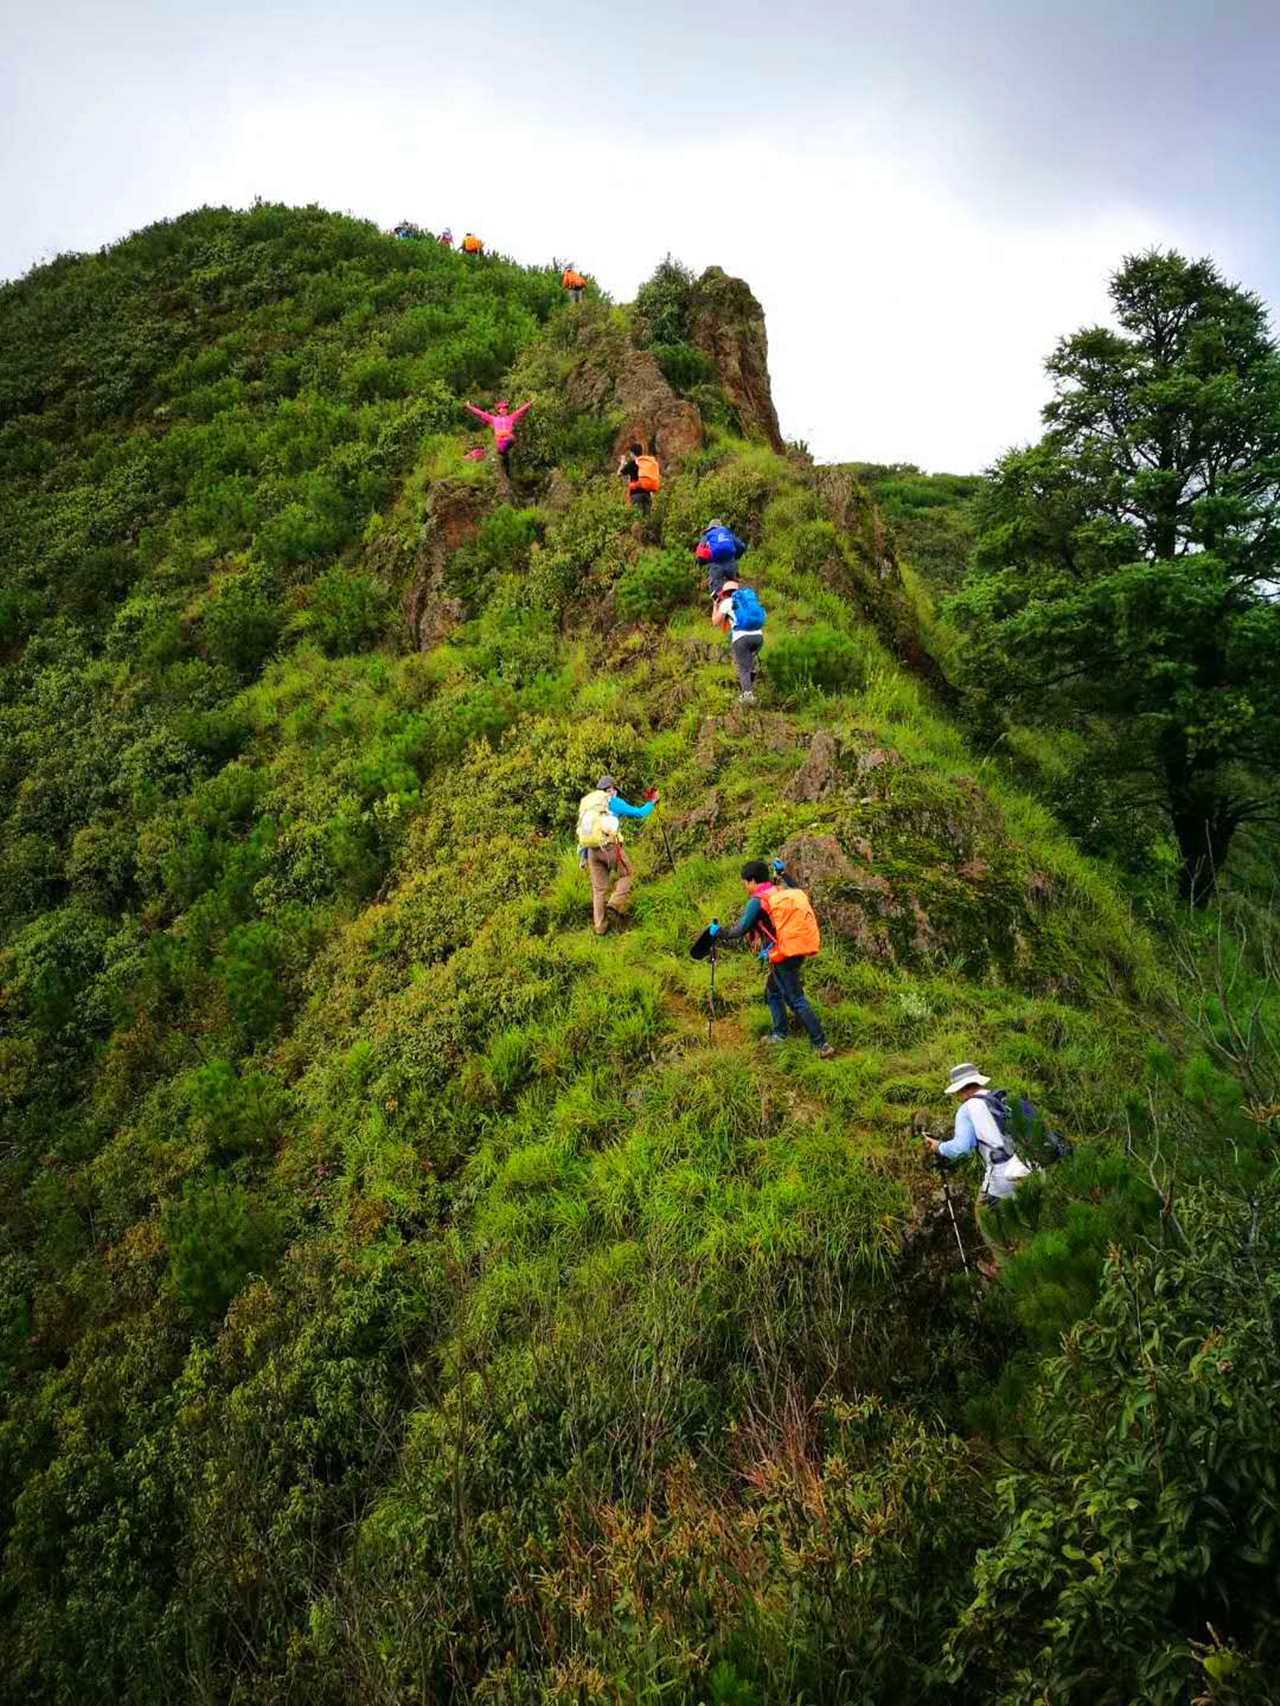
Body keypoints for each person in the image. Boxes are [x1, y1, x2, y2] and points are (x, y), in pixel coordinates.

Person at [708, 860, 835, 1057]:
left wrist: (718, 933)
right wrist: (783, 873)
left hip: (783, 954)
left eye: (745, 882)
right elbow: (799, 890)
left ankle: (821, 1044)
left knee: (796, 999)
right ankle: (780, 1033)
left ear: (751, 880)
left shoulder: (758, 900)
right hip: (798, 948)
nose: (745, 886)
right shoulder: (781, 890)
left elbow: (740, 930)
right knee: (773, 992)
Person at [925, 1063, 1034, 1214]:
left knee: (984, 1214)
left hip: (1004, 1176)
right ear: (978, 1081)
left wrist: (939, 1147)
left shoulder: (967, 1109)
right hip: (1032, 1168)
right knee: (1031, 1220)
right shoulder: (1003, 1099)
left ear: (960, 1089)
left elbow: (961, 1149)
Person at [576, 776, 656, 936]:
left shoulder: (589, 805)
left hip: (591, 851)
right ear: (611, 790)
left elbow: (585, 832)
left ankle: (600, 927)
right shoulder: (612, 801)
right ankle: (615, 903)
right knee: (628, 873)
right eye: (615, 790)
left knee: (598, 890)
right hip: (609, 847)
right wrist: (652, 803)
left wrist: (583, 858)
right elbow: (639, 813)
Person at [711, 580, 766, 702]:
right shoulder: (748, 601)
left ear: (724, 593)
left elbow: (715, 622)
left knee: (743, 668)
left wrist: (715, 605)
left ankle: (747, 696)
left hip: (741, 638)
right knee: (749, 663)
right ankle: (749, 684)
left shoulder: (727, 602)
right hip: (758, 637)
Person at [463, 397, 533, 481]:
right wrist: (470, 407)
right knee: (508, 443)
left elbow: (520, 411)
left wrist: (529, 404)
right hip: (501, 443)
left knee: (507, 454)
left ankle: (509, 475)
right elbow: (481, 414)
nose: (504, 410)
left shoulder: (511, 418)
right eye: (502, 408)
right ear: (498, 410)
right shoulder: (494, 419)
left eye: (506, 408)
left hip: (508, 442)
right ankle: (506, 468)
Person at [700, 520, 749, 595]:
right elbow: (741, 546)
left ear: (710, 528)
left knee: (716, 592)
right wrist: (735, 557)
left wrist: (702, 562)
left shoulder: (708, 535)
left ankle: (717, 604)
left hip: (716, 566)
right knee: (734, 587)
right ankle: (737, 602)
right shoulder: (727, 532)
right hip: (731, 564)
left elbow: (701, 552)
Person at [617, 442, 661, 514]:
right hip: (647, 494)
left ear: (633, 453)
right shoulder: (646, 464)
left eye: (630, 453)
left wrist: (622, 463)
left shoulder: (632, 464)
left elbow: (619, 474)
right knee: (647, 519)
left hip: (636, 494)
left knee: (637, 518)